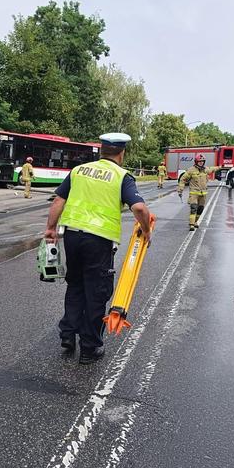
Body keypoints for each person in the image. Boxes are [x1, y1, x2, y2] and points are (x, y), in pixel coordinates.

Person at [44, 133, 152, 364]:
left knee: (75, 285)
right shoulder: (122, 176)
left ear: (101, 150)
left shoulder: (78, 171)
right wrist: (146, 230)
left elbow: (58, 202)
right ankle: (90, 348)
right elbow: (140, 208)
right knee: (96, 292)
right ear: (121, 153)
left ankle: (67, 334)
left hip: (72, 236)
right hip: (98, 241)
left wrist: (51, 229)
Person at [177, 154, 221, 231]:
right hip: (194, 193)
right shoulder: (191, 170)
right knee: (193, 208)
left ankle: (195, 222)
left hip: (203, 193)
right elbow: (183, 179)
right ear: (196, 162)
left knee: (200, 209)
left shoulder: (205, 169)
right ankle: (191, 224)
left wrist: (220, 167)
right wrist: (180, 189)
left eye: (202, 161)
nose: (201, 163)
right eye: (199, 161)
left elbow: (212, 169)